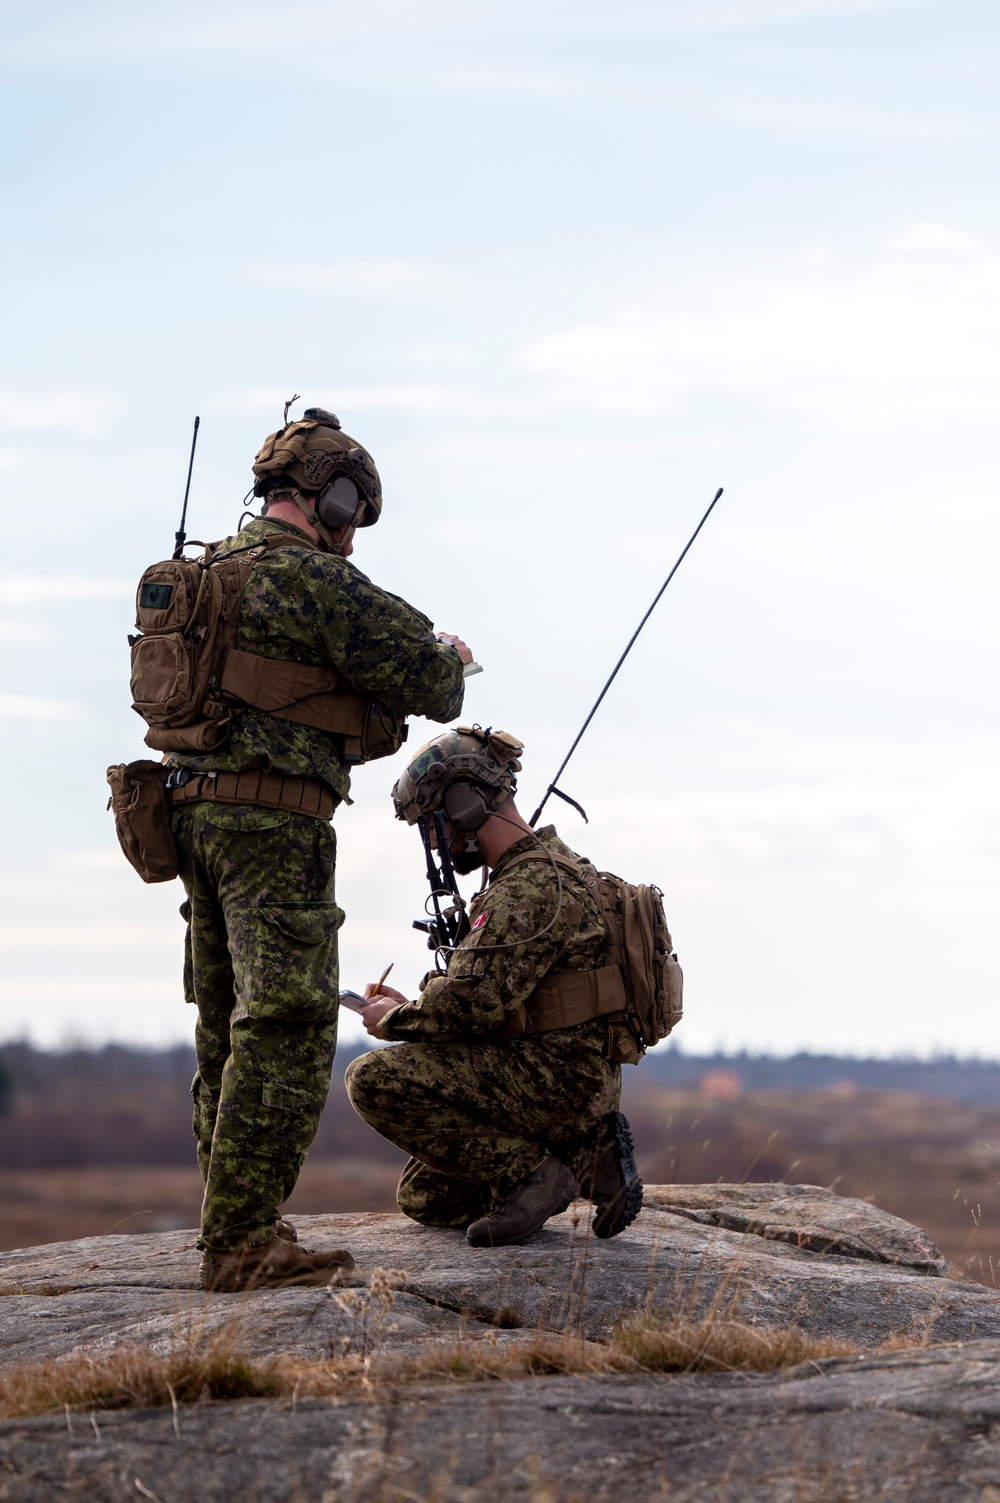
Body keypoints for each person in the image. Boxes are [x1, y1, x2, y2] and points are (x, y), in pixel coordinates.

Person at [165, 406, 471, 1290]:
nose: (354, 533)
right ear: (332, 496)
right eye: (356, 511)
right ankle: (243, 1241)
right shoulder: (314, 582)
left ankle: (234, 1220)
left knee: (225, 1021)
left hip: (192, 816)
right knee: (291, 1022)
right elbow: (435, 683)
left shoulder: (207, 571)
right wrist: (448, 654)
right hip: (274, 824)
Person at [344, 726, 643, 1247]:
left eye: (433, 824)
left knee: (371, 1078)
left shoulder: (529, 887)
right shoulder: (553, 871)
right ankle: (584, 1155)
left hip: (552, 1082)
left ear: (463, 804)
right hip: (565, 1078)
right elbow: (497, 994)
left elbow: (473, 1007)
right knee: (426, 1196)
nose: (434, 842)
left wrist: (393, 1020)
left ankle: (537, 1174)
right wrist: (416, 1005)